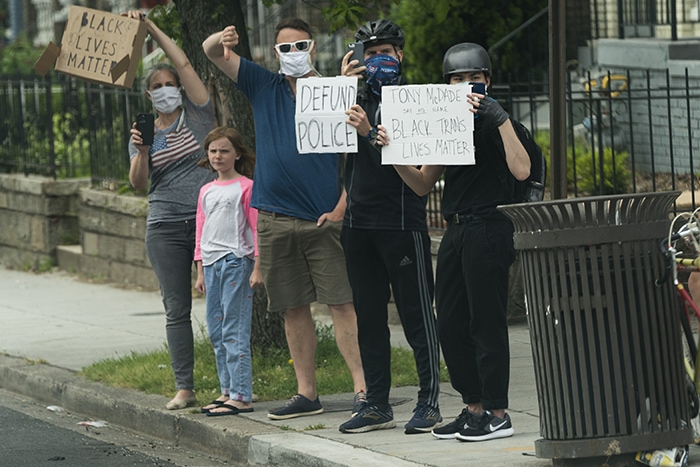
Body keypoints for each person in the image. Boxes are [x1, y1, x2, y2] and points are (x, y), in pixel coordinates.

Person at [202, 18, 366, 420]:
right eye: (284, 48)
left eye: (301, 46)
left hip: (323, 219)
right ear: (274, 54)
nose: (293, 54)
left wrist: (343, 205)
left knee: (342, 303)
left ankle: (364, 389)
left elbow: (357, 156)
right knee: (293, 308)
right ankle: (306, 393)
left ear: (313, 48)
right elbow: (211, 54)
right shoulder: (263, 85)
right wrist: (219, 39)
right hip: (275, 218)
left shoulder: (333, 91)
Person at [391, 42, 531, 441]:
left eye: (475, 78)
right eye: (457, 79)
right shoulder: (446, 123)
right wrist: (391, 151)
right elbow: (421, 183)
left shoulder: (497, 123)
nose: (466, 85)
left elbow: (522, 170)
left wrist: (500, 117)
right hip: (456, 229)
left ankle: (498, 412)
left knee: (486, 321)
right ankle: (474, 407)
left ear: (488, 81)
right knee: (450, 321)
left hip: (490, 224)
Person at [335, 20, 441, 435]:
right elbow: (325, 143)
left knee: (418, 318)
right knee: (369, 318)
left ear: (401, 55)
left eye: (386, 51)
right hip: (358, 226)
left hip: (401, 224)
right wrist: (339, 92)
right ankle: (376, 403)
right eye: (371, 51)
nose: (378, 58)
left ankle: (429, 401)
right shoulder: (353, 99)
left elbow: (414, 165)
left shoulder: (419, 102)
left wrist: (367, 134)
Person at [125, 10, 215, 410]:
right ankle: (185, 387)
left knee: (221, 302)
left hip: (206, 222)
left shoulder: (197, 114)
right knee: (176, 309)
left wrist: (149, 27)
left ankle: (233, 384)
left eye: (169, 85)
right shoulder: (142, 130)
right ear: (148, 95)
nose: (164, 89)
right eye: (157, 86)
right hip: (163, 226)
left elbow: (183, 61)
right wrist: (142, 151)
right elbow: (138, 183)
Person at [193, 126, 263, 416]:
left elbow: (257, 229)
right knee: (217, 330)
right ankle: (227, 390)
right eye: (213, 151)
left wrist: (258, 266)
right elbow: (200, 232)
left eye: (224, 150)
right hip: (211, 265)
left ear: (237, 154)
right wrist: (199, 270)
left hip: (236, 262)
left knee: (234, 329)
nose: (218, 156)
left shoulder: (246, 186)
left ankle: (242, 394)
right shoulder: (206, 190)